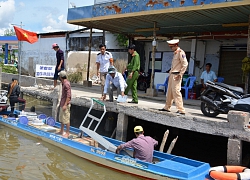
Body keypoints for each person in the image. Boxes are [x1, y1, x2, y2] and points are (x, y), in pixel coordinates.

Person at [159, 39, 188, 115]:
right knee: (170, 91)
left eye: (172, 47)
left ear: (176, 45)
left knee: (176, 91)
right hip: (172, 74)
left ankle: (181, 109)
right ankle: (167, 106)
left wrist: (180, 74)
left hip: (177, 74)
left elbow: (185, 64)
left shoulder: (181, 52)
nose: (171, 48)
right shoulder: (175, 53)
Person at [57, 71, 71, 138]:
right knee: (62, 118)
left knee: (66, 119)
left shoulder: (66, 84)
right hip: (62, 103)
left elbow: (69, 96)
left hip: (65, 104)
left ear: (61, 77)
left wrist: (65, 104)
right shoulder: (63, 83)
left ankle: (67, 132)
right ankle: (62, 130)